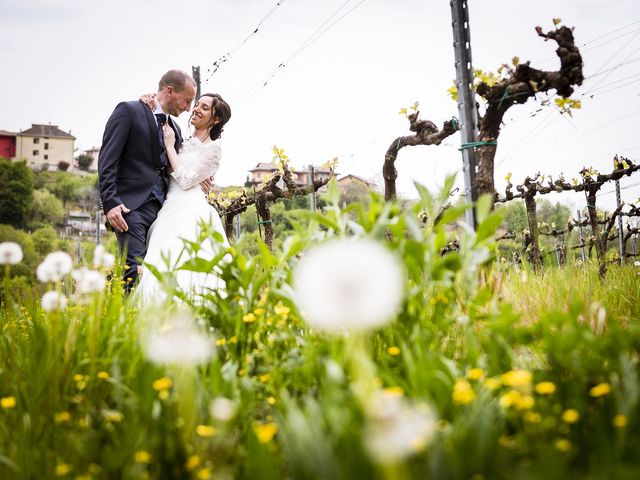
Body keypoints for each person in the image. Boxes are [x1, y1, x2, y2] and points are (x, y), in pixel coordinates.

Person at [98, 69, 199, 292]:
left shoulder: (175, 129)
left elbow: (177, 168)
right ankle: (129, 324)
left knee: (157, 273)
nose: (187, 108)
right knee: (133, 272)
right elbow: (108, 159)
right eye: (186, 100)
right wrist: (110, 202)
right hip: (130, 208)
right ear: (170, 91)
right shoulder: (129, 111)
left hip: (163, 212)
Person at [135, 93, 232, 303]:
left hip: (191, 211)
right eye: (197, 104)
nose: (196, 109)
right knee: (159, 264)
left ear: (216, 119)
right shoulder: (180, 138)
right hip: (168, 209)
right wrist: (148, 99)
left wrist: (170, 147)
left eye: (205, 108)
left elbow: (187, 180)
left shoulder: (213, 148)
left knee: (192, 268)